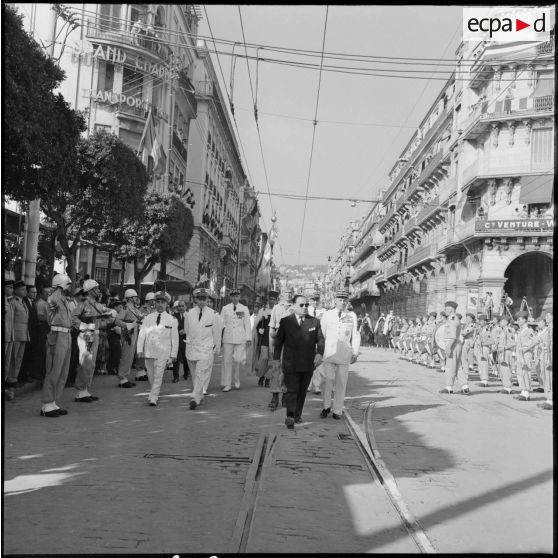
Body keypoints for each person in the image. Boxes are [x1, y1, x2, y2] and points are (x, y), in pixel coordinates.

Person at [272, 294, 324, 429]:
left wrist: (319, 354)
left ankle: (297, 414)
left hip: (308, 364)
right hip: (291, 363)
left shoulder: (314, 322)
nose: (305, 307)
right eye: (301, 305)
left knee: (302, 391)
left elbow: (320, 340)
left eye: (306, 305)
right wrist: (276, 359)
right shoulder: (285, 321)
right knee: (292, 390)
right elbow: (278, 342)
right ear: (294, 306)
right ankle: (290, 416)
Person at [72, 279, 127, 403]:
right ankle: (80, 391)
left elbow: (103, 310)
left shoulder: (96, 304)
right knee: (85, 363)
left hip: (94, 333)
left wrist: (110, 312)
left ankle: (85, 389)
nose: (98, 291)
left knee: (91, 365)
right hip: (87, 333)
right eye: (96, 289)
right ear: (90, 291)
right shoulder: (83, 303)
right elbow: (73, 318)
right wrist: (83, 326)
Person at [319, 289, 360, 420]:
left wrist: (355, 352)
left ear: (347, 301)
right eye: (340, 300)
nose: (342, 302)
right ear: (335, 300)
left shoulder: (352, 316)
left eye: (344, 300)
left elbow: (355, 335)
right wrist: (319, 351)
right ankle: (326, 406)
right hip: (329, 352)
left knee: (341, 382)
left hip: (344, 352)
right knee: (328, 380)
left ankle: (337, 410)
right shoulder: (327, 314)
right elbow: (321, 334)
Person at [136, 291, 179, 407]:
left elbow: (175, 338)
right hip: (149, 351)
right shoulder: (148, 318)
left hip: (163, 352)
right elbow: (142, 334)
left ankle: (154, 397)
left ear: (167, 305)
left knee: (159, 375)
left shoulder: (172, 320)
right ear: (154, 303)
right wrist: (139, 349)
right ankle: (153, 392)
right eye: (158, 302)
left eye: (163, 302)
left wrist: (173, 354)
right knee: (151, 375)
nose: (160, 304)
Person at [40, 274, 74, 417]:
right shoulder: (53, 298)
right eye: (68, 284)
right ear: (61, 284)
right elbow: (51, 318)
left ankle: (53, 401)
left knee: (63, 371)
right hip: (57, 335)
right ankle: (46, 404)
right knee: (54, 369)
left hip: (67, 335)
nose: (70, 286)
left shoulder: (64, 300)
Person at [184, 288, 222, 410]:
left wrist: (216, 348)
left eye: (204, 299)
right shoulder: (189, 313)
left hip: (206, 349)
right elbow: (187, 331)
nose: (201, 301)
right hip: (192, 349)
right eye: (199, 299)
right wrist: (189, 345)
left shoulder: (214, 314)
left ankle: (195, 397)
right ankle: (199, 396)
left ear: (207, 299)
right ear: (195, 299)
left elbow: (217, 333)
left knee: (200, 373)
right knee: (195, 374)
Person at [268, 287, 294, 410]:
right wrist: (270, 345)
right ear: (282, 295)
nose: (288, 294)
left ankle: (285, 394)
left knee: (287, 369)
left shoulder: (295, 308)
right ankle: (274, 396)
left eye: (290, 292)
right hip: (278, 341)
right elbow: (272, 327)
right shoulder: (276, 308)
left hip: (291, 343)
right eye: (286, 292)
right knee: (275, 368)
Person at [220, 288, 251, 391]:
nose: (235, 298)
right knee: (227, 361)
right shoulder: (225, 308)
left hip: (240, 337)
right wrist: (218, 338)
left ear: (239, 297)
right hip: (228, 337)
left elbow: (247, 323)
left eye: (237, 296)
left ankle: (236, 380)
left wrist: (248, 338)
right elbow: (220, 323)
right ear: (230, 297)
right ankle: (227, 384)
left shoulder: (244, 308)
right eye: (233, 296)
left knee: (237, 360)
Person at [116, 289, 143, 388]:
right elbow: (117, 321)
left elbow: (137, 320)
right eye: (135, 297)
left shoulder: (134, 309)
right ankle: (122, 378)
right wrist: (127, 325)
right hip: (128, 334)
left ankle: (125, 377)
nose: (136, 299)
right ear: (130, 298)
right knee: (126, 355)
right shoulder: (125, 308)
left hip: (135, 332)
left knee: (131, 356)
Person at [440, 301, 468, 395]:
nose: (445, 310)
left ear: (451, 309)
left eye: (446, 308)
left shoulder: (452, 319)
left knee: (450, 366)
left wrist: (449, 347)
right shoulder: (453, 318)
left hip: (453, 344)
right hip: (456, 345)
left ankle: (449, 387)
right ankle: (464, 386)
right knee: (458, 366)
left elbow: (452, 336)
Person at [6, 281, 29, 389]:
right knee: (12, 357)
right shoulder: (13, 302)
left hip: (23, 333)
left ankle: (14, 377)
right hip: (15, 333)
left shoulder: (23, 302)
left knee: (19, 357)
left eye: (25, 289)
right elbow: (11, 319)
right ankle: (9, 378)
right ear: (16, 290)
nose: (25, 291)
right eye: (22, 289)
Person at [256, 291, 277, 387]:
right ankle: (261, 377)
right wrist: (259, 329)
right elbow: (257, 324)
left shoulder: (278, 311)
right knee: (264, 358)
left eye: (273, 299)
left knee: (271, 360)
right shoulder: (263, 310)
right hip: (264, 338)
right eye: (270, 299)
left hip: (274, 339)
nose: (271, 301)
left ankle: (268, 379)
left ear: (276, 300)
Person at [514, 310, 535, 401]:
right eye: (517, 319)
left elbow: (534, 341)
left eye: (519, 319)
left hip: (526, 354)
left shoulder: (529, 330)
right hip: (519, 353)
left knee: (526, 372)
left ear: (524, 320)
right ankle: (523, 390)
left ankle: (526, 392)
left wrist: (527, 348)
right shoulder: (521, 331)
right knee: (519, 372)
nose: (518, 321)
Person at [34, 285, 51, 381]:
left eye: (49, 293)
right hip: (42, 328)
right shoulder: (40, 303)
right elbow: (40, 317)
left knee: (44, 352)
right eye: (46, 293)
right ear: (41, 294)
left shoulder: (46, 303)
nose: (48, 294)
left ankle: (41, 372)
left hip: (46, 328)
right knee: (41, 351)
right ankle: (37, 373)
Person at [496, 313, 516, 394]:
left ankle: (508, 387)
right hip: (501, 352)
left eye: (501, 321)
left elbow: (513, 343)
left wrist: (504, 348)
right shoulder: (502, 330)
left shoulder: (509, 330)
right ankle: (505, 386)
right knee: (502, 370)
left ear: (506, 322)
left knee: (506, 369)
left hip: (507, 352)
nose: (500, 322)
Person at [171, 300, 189, 383]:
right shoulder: (173, 316)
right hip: (176, 340)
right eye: (179, 306)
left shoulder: (189, 316)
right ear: (177, 307)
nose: (181, 308)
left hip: (186, 340)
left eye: (182, 306)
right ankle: (176, 377)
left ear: (186, 306)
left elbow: (193, 327)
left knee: (186, 358)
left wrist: (186, 331)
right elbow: (171, 327)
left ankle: (186, 374)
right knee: (176, 359)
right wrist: (177, 331)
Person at [4, 279, 15, 397]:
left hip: (10, 336)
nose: (11, 289)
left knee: (7, 364)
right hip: (4, 336)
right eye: (9, 287)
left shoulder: (9, 302)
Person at [107, 298, 123, 376]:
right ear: (115, 307)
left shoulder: (116, 313)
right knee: (116, 352)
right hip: (112, 334)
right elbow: (110, 322)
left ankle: (112, 368)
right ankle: (112, 368)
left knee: (114, 352)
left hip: (115, 334)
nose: (121, 308)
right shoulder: (113, 312)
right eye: (120, 307)